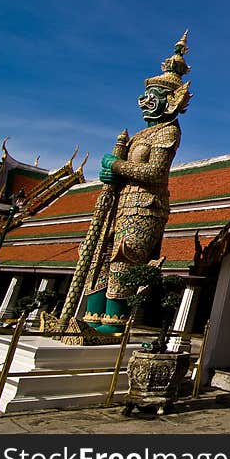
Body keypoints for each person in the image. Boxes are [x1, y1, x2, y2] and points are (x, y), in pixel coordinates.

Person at [82, 32, 192, 333]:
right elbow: (124, 172)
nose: (145, 102)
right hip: (119, 205)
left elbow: (155, 174)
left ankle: (113, 325)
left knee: (123, 263)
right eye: (144, 96)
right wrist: (111, 174)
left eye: (153, 98)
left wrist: (116, 164)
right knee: (99, 261)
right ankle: (91, 320)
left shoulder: (167, 132)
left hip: (145, 208)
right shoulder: (138, 136)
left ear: (169, 102)